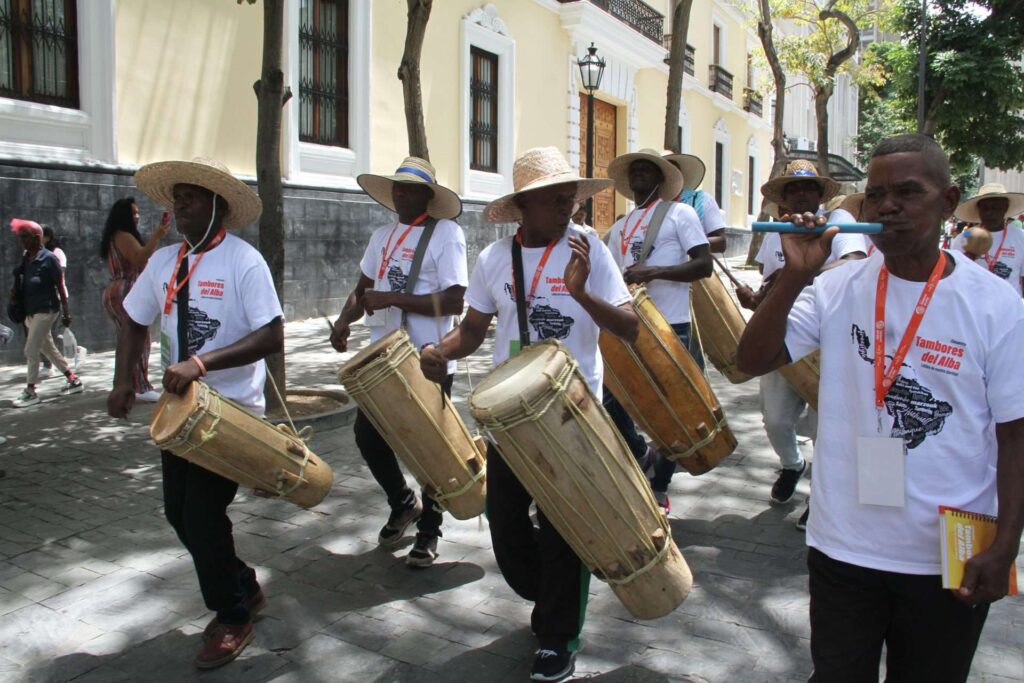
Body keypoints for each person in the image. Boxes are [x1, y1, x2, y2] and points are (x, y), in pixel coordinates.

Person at [736, 134, 1024, 681]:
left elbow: (1016, 434)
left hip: (947, 556)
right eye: (877, 195)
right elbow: (751, 359)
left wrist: (1006, 544)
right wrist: (797, 275)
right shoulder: (836, 287)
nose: (888, 206)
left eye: (908, 193)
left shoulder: (995, 305)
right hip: (843, 548)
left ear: (947, 201)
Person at [420, 147, 637, 683]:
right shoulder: (494, 260)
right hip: (509, 412)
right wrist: (442, 350)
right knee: (506, 521)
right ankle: (551, 595)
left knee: (565, 527)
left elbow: (629, 328)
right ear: (523, 206)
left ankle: (558, 635)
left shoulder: (591, 251)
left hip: (573, 410)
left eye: (571, 197)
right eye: (555, 198)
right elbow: (472, 330)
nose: (568, 206)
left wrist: (582, 292)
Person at [107, 157, 283, 670]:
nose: (179, 206)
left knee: (203, 516)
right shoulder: (164, 262)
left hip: (230, 413)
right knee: (177, 512)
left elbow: (272, 335)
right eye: (177, 198)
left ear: (219, 207)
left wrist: (202, 362)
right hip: (177, 411)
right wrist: (122, 383)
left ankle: (232, 617)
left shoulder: (245, 262)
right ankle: (243, 584)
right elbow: (133, 322)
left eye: (191, 198)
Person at [329, 157, 467, 568]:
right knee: (367, 437)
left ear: (428, 194)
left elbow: (457, 300)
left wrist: (394, 299)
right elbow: (362, 290)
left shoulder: (447, 235)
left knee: (430, 447)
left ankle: (430, 531)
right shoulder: (381, 237)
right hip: (382, 358)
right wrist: (343, 321)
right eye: (396, 186)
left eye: (409, 187)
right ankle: (403, 503)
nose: (399, 193)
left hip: (430, 357)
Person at [736, 160, 867, 527]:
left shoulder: (841, 221)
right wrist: (756, 300)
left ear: (821, 195)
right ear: (784, 200)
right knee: (776, 419)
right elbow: (769, 289)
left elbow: (853, 263)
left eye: (809, 189)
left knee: (827, 426)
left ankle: (819, 497)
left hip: (831, 342)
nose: (802, 195)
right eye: (794, 189)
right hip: (788, 337)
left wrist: (802, 273)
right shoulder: (776, 232)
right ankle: (793, 465)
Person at [603, 148, 712, 515]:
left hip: (672, 325)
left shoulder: (681, 214)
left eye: (647, 170)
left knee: (672, 409)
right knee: (611, 400)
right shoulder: (619, 227)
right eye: (634, 171)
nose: (639, 176)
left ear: (662, 179)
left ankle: (661, 485)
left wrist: (653, 273)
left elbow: (703, 265)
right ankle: (641, 452)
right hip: (631, 325)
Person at [100, 197, 171, 402]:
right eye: (133, 213)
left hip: (117, 292)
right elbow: (139, 257)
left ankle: (125, 384)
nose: (137, 216)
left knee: (126, 339)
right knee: (139, 338)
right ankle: (140, 386)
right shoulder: (122, 235)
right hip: (126, 291)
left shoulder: (114, 236)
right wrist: (158, 234)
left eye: (138, 212)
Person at [9, 219, 83, 407]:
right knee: (47, 348)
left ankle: (31, 391)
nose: (22, 241)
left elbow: (60, 285)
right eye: (20, 237)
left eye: (24, 237)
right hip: (31, 312)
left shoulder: (49, 258)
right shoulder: (26, 258)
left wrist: (66, 313)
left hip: (47, 309)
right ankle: (73, 379)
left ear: (36, 238)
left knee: (30, 349)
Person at [952, 182, 1024, 296]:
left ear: (1005, 208)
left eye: (995, 208)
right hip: (974, 308)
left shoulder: (1020, 238)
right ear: (978, 210)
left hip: (1009, 309)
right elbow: (954, 277)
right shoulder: (964, 238)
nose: (990, 213)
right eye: (985, 208)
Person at [663, 152, 727, 253]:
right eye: (664, 173)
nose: (669, 178)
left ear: (681, 176)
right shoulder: (652, 205)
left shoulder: (702, 200)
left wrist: (684, 243)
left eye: (674, 173)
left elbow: (721, 243)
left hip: (693, 266)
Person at [37, 225, 68, 378]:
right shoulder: (33, 254)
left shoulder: (56, 253)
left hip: (55, 298)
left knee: (52, 333)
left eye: (39, 235)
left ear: (47, 237)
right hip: (41, 299)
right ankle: (48, 364)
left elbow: (60, 276)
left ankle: (53, 364)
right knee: (43, 333)